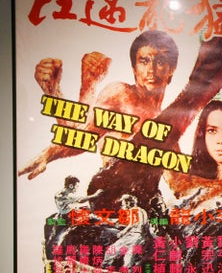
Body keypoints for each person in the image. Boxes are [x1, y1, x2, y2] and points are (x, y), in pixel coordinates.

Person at [19, 30, 180, 180]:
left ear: (171, 69)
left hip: (140, 204)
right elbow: (82, 137)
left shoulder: (167, 125)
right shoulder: (121, 94)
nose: (151, 70)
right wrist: (48, 154)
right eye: (144, 61)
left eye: (160, 61)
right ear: (134, 68)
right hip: (110, 197)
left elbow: (178, 183)